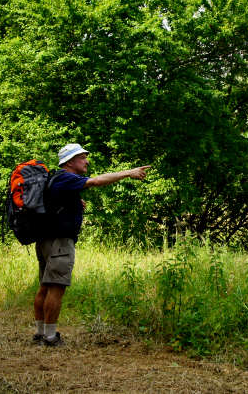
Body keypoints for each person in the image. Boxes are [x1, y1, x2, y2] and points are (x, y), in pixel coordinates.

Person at [32, 143, 150, 346]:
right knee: (56, 288)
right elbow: (95, 182)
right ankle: (50, 338)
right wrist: (128, 173)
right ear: (70, 162)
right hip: (60, 242)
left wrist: (75, 202)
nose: (87, 161)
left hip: (45, 240)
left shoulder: (55, 178)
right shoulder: (67, 177)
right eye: (82, 157)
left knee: (44, 286)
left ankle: (40, 333)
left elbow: (54, 202)